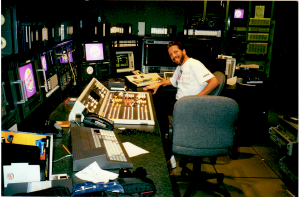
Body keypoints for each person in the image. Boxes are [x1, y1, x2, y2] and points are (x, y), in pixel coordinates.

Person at [143, 41, 219, 100]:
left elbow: (214, 82)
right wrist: (159, 83)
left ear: (184, 51)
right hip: (180, 103)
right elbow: (172, 80)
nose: (173, 56)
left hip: (189, 105)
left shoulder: (193, 64)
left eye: (176, 52)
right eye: (171, 55)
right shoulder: (180, 67)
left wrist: (197, 99)